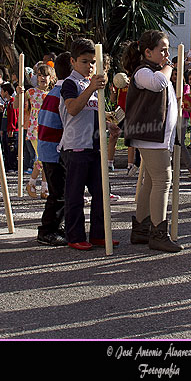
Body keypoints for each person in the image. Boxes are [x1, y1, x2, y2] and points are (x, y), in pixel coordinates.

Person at [123, 30, 183, 253]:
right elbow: (158, 84)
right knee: (162, 180)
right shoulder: (143, 72)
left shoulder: (155, 70)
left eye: (167, 50)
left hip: (157, 136)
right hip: (149, 136)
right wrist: (170, 67)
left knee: (150, 182)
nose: (167, 54)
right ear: (148, 52)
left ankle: (141, 229)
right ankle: (158, 233)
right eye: (163, 50)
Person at [59, 38, 116, 250]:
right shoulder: (70, 83)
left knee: (102, 192)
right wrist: (91, 88)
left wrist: (110, 121)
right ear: (73, 61)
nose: (90, 66)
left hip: (95, 145)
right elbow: (73, 108)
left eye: (93, 62)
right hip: (76, 146)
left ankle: (100, 234)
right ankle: (74, 235)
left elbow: (94, 111)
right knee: (75, 195)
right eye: (84, 61)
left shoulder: (93, 84)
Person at [35, 52, 71, 246]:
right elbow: (51, 127)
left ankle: (57, 225)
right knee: (59, 193)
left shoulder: (55, 94)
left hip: (52, 150)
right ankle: (47, 229)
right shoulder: (60, 95)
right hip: (54, 151)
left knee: (62, 191)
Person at [25, 62, 56, 198]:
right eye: (40, 75)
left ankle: (44, 188)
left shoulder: (52, 94)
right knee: (41, 158)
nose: (43, 78)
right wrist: (20, 95)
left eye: (46, 75)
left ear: (51, 78)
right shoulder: (31, 92)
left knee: (46, 159)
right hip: (34, 130)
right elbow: (18, 107)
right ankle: (31, 183)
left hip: (48, 129)